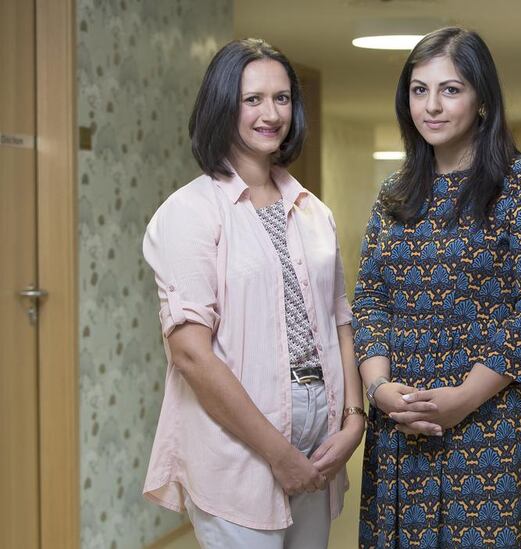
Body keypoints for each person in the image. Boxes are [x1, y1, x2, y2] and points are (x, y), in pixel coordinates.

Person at [353, 27, 521, 548]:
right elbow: (369, 299)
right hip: (406, 424)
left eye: (450, 89)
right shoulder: (396, 192)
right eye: (419, 89)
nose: (431, 105)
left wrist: (461, 399)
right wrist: (381, 390)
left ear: (481, 100)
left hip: (496, 422)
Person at [141, 39, 365, 548]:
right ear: (224, 106)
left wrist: (353, 420)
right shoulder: (191, 213)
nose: (272, 114)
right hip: (239, 452)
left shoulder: (312, 211)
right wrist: (280, 456)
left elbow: (339, 321)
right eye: (253, 100)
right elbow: (191, 355)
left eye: (282, 98)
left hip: (320, 447)